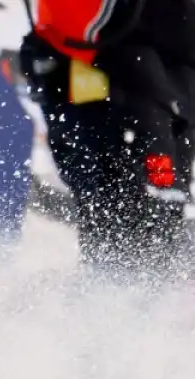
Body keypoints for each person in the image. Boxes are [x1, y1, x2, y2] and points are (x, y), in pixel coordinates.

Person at [20, 0, 195, 269]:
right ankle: (114, 287)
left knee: (164, 197)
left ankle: (143, 285)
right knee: (122, 199)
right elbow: (80, 28)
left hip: (165, 56)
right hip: (100, 53)